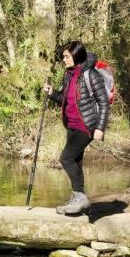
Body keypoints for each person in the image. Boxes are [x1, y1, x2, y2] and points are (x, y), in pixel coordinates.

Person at [42, 40, 111, 215]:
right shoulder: (69, 74)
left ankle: (80, 198)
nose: (63, 59)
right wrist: (52, 94)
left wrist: (100, 128)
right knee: (76, 162)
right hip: (71, 124)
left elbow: (104, 102)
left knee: (66, 158)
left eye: (66, 56)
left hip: (86, 125)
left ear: (76, 55)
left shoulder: (91, 75)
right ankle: (78, 199)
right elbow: (64, 99)